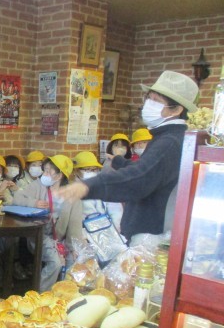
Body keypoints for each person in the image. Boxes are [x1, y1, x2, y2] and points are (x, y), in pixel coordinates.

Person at [56, 71, 199, 244]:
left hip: (150, 237)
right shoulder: (169, 137)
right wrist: (119, 162)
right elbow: (151, 170)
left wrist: (89, 186)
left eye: (156, 101)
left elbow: (140, 179)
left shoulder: (169, 142)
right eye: (148, 98)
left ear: (176, 109)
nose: (148, 104)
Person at [13, 155, 84, 291]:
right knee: (55, 263)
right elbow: (17, 198)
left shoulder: (72, 195)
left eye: (48, 171)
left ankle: (64, 293)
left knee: (73, 261)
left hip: (61, 239)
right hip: (39, 237)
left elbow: (74, 225)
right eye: (44, 170)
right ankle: (42, 293)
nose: (44, 175)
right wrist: (34, 203)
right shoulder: (38, 186)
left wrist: (74, 248)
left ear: (60, 175)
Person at [73, 151, 122, 231]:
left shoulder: (105, 187)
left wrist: (114, 231)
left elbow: (116, 212)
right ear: (76, 171)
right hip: (84, 232)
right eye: (86, 169)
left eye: (93, 170)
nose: (90, 172)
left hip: (108, 231)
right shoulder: (73, 190)